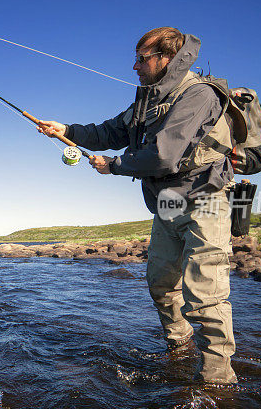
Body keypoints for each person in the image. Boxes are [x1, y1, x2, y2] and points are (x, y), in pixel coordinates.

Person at [37, 27, 238, 385]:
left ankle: (218, 381)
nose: (134, 66)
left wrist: (113, 166)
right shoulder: (148, 99)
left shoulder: (199, 95)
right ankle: (180, 348)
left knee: (205, 296)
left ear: (168, 57)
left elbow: (163, 155)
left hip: (206, 200)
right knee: (161, 284)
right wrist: (63, 128)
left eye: (141, 59)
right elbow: (110, 131)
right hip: (169, 203)